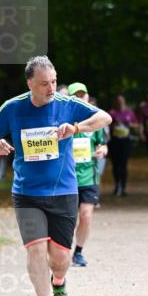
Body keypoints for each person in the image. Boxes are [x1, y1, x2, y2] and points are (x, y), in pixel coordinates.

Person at [0, 56, 110, 296]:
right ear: (30, 83)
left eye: (53, 81)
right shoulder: (13, 107)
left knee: (60, 257)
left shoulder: (67, 105)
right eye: (44, 84)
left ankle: (59, 282)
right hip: (27, 192)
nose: (51, 88)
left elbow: (104, 117)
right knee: (36, 250)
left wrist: (75, 128)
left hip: (63, 191)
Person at [67, 82, 108, 267]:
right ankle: (61, 252)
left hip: (89, 177)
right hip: (67, 178)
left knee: (86, 215)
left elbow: (103, 144)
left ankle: (78, 252)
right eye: (76, 95)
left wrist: (102, 150)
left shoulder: (96, 121)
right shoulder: (63, 120)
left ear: (87, 97)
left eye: (83, 95)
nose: (80, 98)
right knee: (68, 219)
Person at [108, 94, 139, 196]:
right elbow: (106, 125)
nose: (120, 103)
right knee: (116, 165)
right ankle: (117, 185)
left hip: (126, 142)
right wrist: (114, 125)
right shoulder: (112, 113)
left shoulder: (129, 113)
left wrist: (130, 124)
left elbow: (137, 124)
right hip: (114, 141)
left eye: (122, 101)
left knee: (124, 164)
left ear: (124, 101)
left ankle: (123, 187)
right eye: (118, 101)